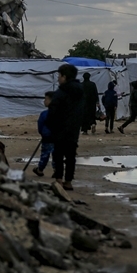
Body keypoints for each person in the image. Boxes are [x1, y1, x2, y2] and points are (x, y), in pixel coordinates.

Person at [48, 63, 85, 191]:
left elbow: (53, 110)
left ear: (64, 77)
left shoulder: (61, 92)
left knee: (58, 154)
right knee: (71, 155)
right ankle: (68, 181)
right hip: (74, 128)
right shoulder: (80, 91)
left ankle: (59, 179)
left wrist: (49, 124)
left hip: (59, 128)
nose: (58, 78)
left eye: (59, 75)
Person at [32, 91, 56, 177]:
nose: (44, 101)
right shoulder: (61, 113)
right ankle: (56, 170)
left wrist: (42, 133)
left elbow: (40, 125)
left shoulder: (44, 114)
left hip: (47, 138)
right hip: (58, 138)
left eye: (46, 99)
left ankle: (40, 169)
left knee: (45, 154)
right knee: (56, 155)